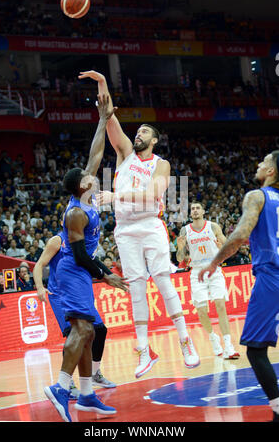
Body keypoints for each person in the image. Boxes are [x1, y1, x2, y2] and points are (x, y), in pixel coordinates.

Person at [79, 70, 200, 377]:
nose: (139, 133)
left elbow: (151, 196)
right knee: (136, 289)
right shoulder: (124, 154)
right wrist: (103, 83)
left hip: (150, 224)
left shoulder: (161, 164)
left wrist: (116, 195)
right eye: (139, 130)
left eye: (146, 131)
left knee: (162, 281)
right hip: (125, 230)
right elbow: (108, 118)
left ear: (154, 140)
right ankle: (144, 350)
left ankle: (185, 340)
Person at [43, 94, 129, 422]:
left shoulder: (87, 195)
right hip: (70, 269)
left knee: (91, 331)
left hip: (79, 270)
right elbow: (79, 255)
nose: (92, 174)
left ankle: (87, 396)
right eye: (86, 176)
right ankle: (61, 388)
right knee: (80, 330)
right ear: (81, 186)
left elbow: (95, 154)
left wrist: (102, 119)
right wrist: (107, 275)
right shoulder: (76, 213)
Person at [198, 151, 279, 422]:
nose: (258, 164)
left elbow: (240, 234)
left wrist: (214, 262)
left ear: (271, 172)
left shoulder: (257, 196)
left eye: (263, 162)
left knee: (256, 351)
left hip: (273, 279)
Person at [33, 227, 117, 398]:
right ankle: (67, 384)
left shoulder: (82, 241)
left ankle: (95, 374)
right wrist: (40, 287)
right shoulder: (57, 241)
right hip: (60, 295)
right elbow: (39, 265)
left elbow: (94, 262)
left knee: (100, 330)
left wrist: (111, 276)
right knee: (73, 334)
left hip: (80, 293)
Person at [177, 202, 240, 359]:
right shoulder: (185, 230)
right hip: (197, 272)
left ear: (203, 211)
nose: (195, 210)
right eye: (192, 208)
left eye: (198, 208)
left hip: (214, 269)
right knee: (202, 311)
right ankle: (213, 338)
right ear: (190, 213)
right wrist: (179, 248)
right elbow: (179, 259)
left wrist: (222, 247)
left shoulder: (213, 227)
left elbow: (228, 248)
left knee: (220, 306)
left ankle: (229, 347)